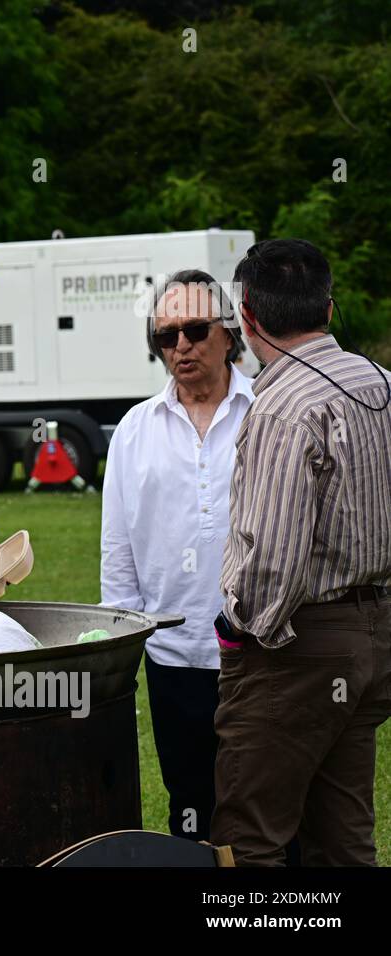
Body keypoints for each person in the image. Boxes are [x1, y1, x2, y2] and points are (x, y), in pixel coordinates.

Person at [213, 238, 391, 866]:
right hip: (371, 635)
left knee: (249, 839)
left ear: (248, 316)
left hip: (298, 650)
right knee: (343, 836)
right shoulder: (381, 384)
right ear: (330, 308)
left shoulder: (284, 406)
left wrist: (237, 628)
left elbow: (272, 562)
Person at [101, 271, 253, 842]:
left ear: (229, 333)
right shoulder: (134, 431)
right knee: (189, 804)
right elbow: (117, 548)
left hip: (261, 650)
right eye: (167, 336)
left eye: (195, 329)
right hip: (173, 654)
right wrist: (119, 640)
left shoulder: (269, 412)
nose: (182, 346)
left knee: (267, 804)